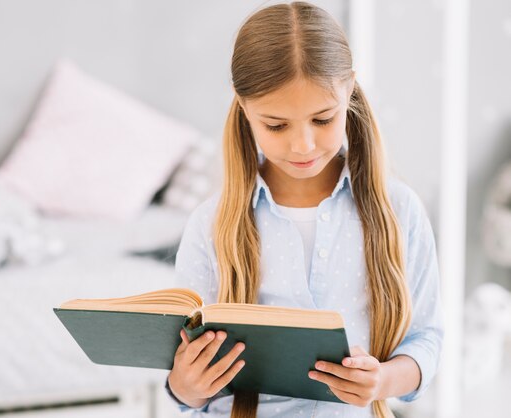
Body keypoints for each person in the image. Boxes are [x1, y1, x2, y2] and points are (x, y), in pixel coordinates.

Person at [165, 2, 444, 417]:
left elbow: (426, 340)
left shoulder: (399, 210)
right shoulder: (210, 224)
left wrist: (383, 380)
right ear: (244, 108)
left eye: (323, 119)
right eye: (276, 125)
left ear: (349, 91)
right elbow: (187, 377)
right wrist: (184, 386)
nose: (303, 146)